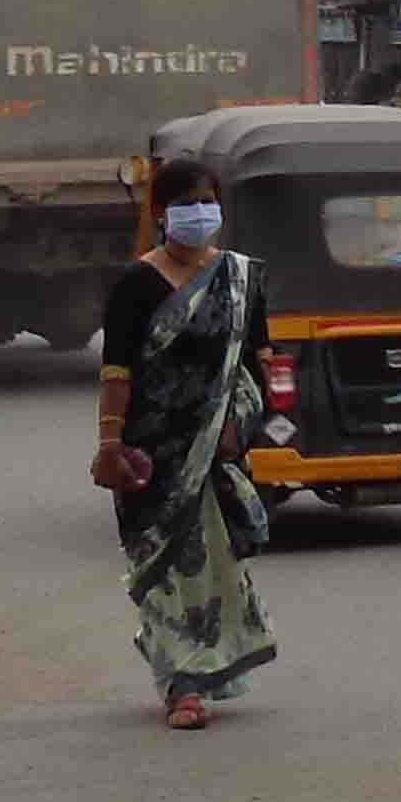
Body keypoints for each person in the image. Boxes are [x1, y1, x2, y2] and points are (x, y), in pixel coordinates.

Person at [92, 156, 276, 729]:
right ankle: (181, 686)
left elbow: (260, 363)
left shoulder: (241, 278)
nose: (200, 213)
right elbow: (117, 370)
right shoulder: (136, 284)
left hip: (217, 447)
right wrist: (110, 443)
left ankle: (204, 673)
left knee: (212, 565)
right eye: (186, 203)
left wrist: (239, 425)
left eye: (207, 201)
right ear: (158, 214)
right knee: (167, 568)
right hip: (152, 455)